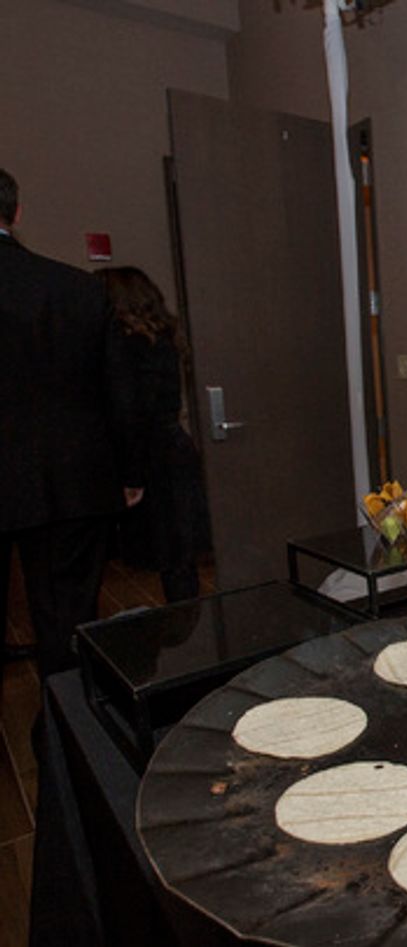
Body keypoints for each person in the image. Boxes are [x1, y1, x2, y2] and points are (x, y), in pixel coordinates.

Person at [0, 168, 142, 678]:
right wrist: (130, 472)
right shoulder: (76, 289)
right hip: (71, 479)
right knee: (68, 624)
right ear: (16, 214)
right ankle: (64, 745)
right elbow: (117, 393)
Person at [96, 266, 209, 603]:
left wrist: (130, 475)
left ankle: (186, 637)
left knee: (173, 558)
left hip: (156, 459)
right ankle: (190, 635)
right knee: (179, 559)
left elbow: (132, 411)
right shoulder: (164, 337)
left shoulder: (130, 344)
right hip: (172, 451)